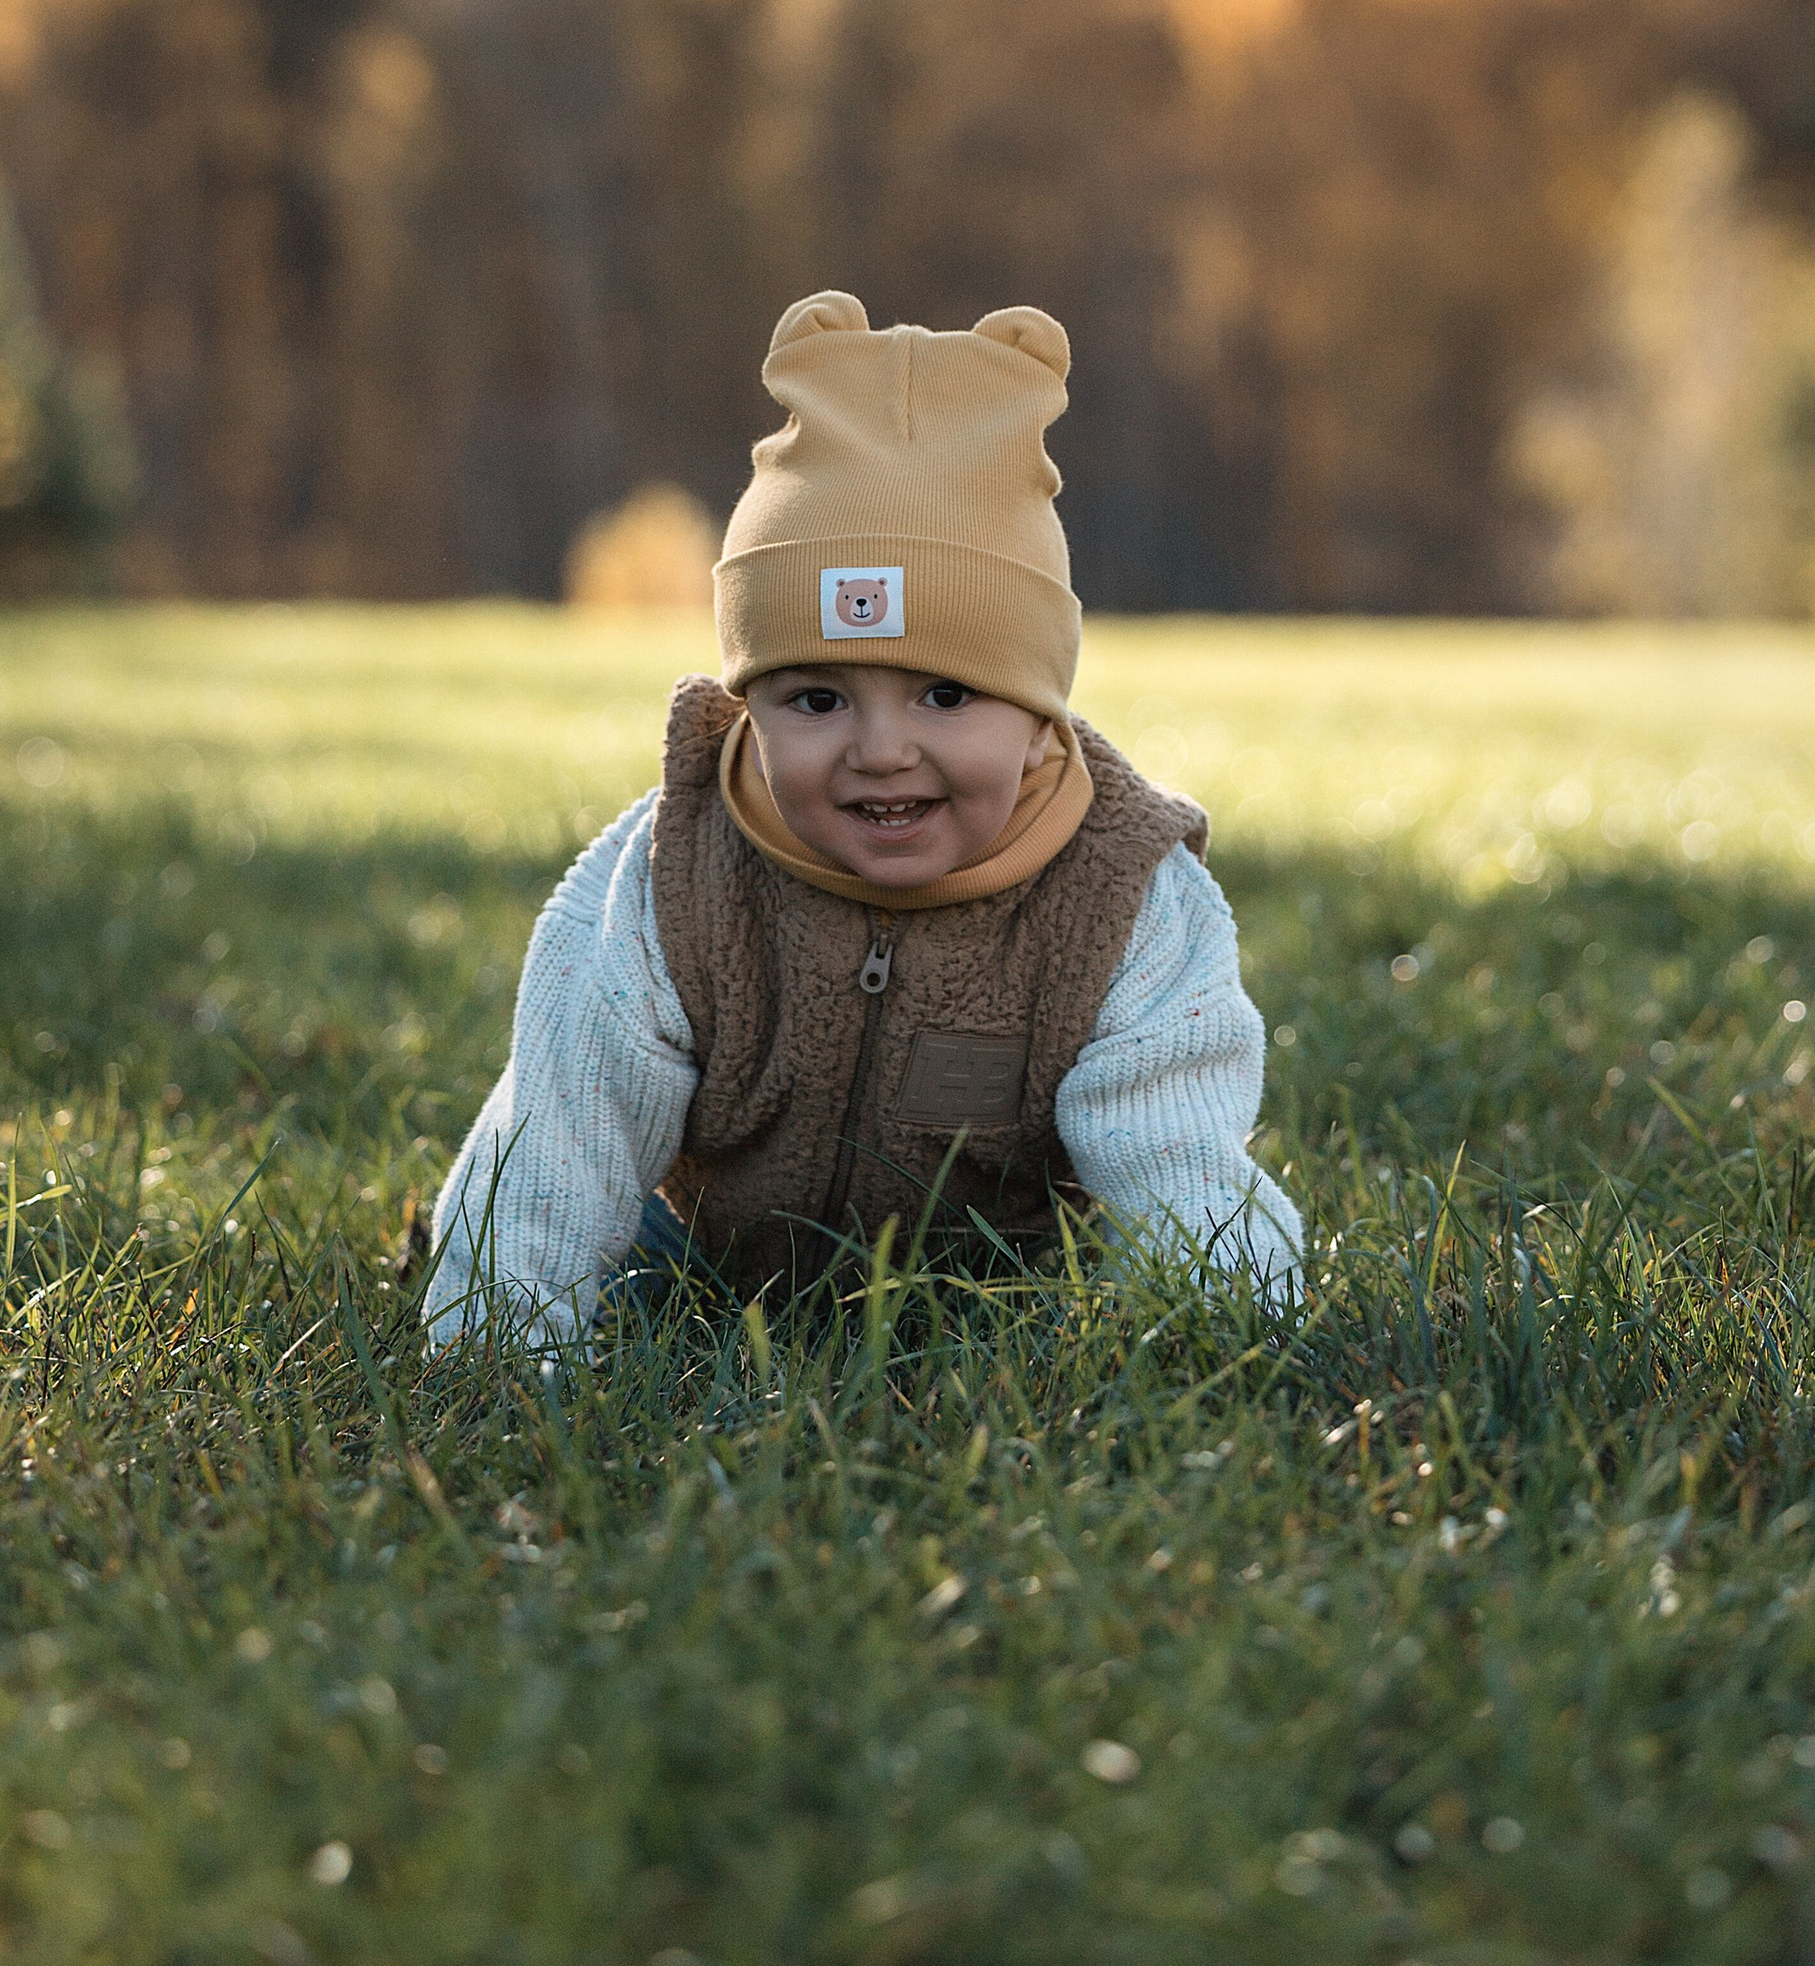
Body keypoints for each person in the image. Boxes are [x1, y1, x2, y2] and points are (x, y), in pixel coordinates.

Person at [423, 291, 1303, 1350]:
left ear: (1039, 718)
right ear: (748, 705)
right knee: (592, 1244)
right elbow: (568, 1126)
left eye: (944, 695)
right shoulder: (675, 875)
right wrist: (499, 1349)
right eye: (817, 700)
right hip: (709, 1259)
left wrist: (1237, 1341)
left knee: (1120, 1288)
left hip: (1009, 1278)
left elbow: (1180, 1166)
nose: (881, 749)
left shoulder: (1121, 899)